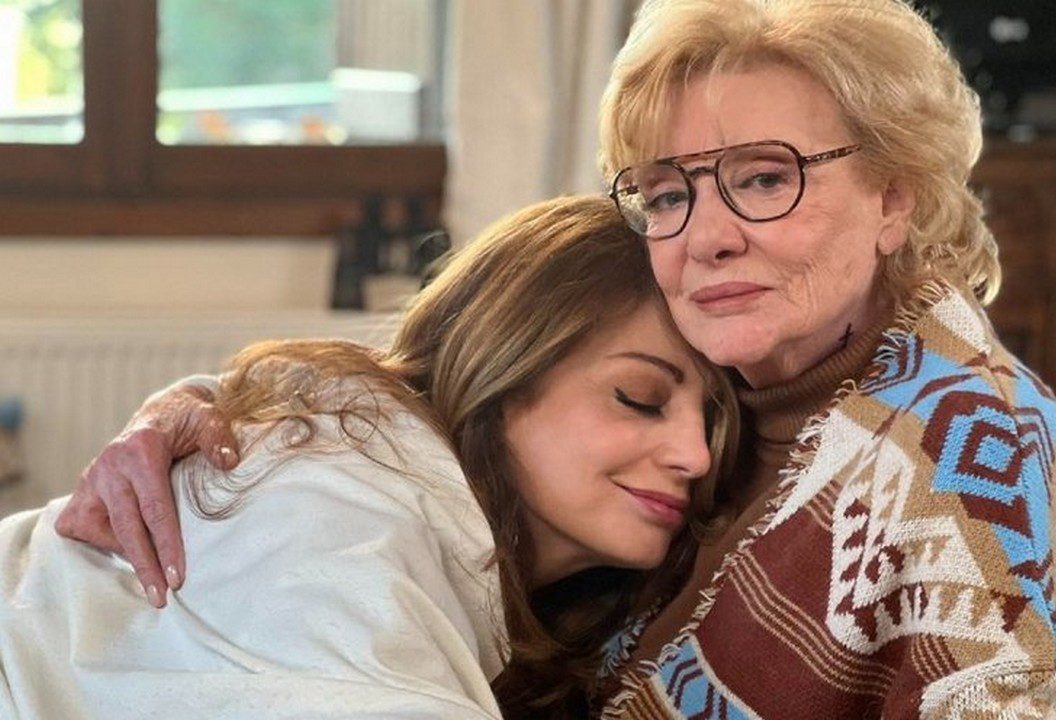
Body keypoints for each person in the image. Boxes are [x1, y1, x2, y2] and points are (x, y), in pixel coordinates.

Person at [61, 0, 1056, 717]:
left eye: (764, 177)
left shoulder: (968, 454)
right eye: (667, 191)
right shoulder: (732, 371)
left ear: (895, 195)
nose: (705, 236)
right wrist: (214, 409)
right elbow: (440, 391)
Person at [3, 195, 739, 719]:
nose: (695, 456)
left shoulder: (459, 538)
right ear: (502, 365)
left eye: (712, 420)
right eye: (640, 398)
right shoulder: (351, 510)